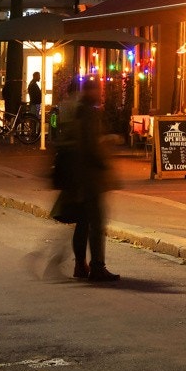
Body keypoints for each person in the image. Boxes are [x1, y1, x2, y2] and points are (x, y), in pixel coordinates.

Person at [57, 77, 119, 282]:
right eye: (98, 89)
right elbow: (90, 145)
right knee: (97, 222)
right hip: (90, 177)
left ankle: (79, 265)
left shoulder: (75, 110)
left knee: (82, 222)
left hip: (77, 175)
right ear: (91, 91)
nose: (101, 93)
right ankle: (97, 267)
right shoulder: (89, 113)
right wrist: (105, 162)